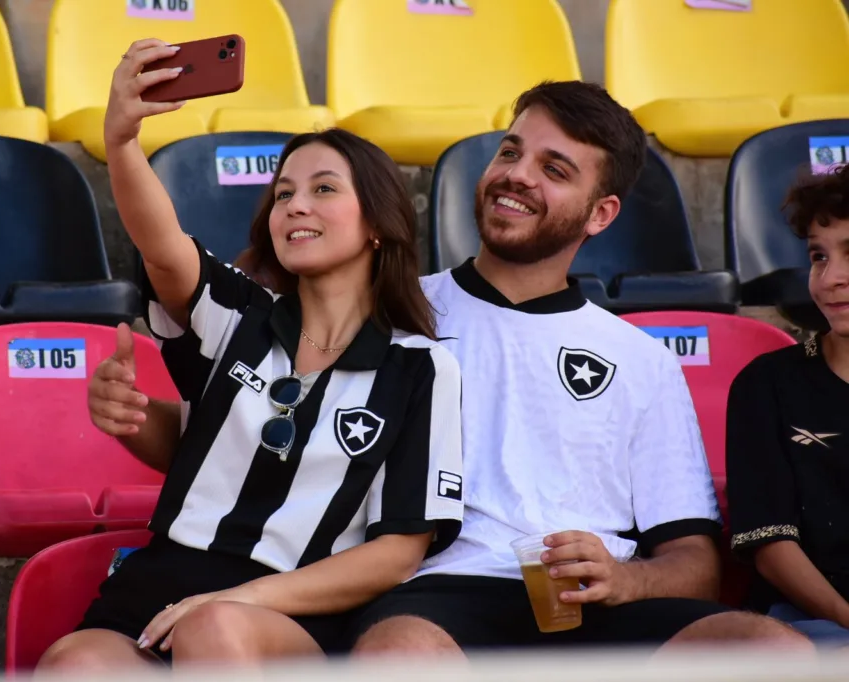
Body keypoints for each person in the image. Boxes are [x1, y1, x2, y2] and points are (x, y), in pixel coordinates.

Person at [37, 38, 465, 670]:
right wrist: (122, 142)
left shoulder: (420, 366)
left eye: (323, 189)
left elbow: (400, 549)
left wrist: (237, 599)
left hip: (288, 606)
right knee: (73, 664)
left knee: (215, 631)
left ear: (377, 223)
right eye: (284, 193)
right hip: (159, 586)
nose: (295, 204)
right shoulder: (241, 314)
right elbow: (163, 248)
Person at [346, 80, 810, 654]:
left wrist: (627, 578)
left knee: (770, 646)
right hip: (438, 594)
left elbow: (695, 562)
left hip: (600, 603)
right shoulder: (397, 311)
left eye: (555, 169)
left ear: (600, 214)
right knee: (400, 652)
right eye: (511, 151)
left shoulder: (642, 358)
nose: (517, 175)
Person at [726, 163, 849, 646]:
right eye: (819, 257)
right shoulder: (766, 384)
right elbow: (771, 545)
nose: (832, 277)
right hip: (810, 624)